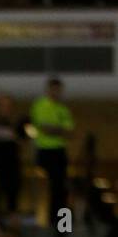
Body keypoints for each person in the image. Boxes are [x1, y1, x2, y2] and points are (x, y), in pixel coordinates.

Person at [29, 77, 73, 220]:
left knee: (60, 187)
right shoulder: (39, 105)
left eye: (58, 90)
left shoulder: (63, 109)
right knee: (43, 186)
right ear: (48, 90)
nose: (56, 92)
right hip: (44, 150)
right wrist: (59, 129)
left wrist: (54, 129)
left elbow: (69, 132)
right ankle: (41, 217)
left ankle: (58, 221)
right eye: (53, 89)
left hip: (59, 150)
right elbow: (44, 128)